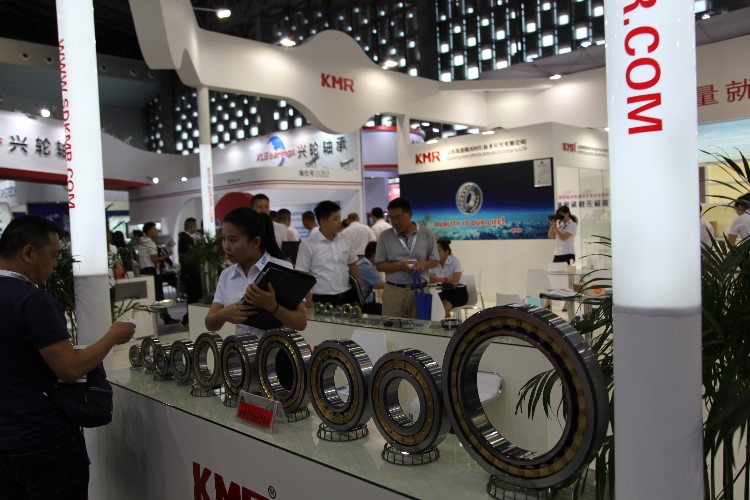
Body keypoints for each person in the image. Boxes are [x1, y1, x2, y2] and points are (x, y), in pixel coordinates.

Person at [0, 215, 136, 498]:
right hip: (43, 439)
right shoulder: (31, 301)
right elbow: (70, 369)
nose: (54, 265)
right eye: (52, 255)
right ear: (28, 253)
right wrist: (113, 336)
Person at [205, 208, 307, 335]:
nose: (226, 246)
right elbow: (210, 324)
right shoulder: (227, 275)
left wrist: (273, 306)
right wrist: (223, 315)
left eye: (232, 240)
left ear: (255, 242)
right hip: (241, 347)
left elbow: (301, 323)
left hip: (275, 346)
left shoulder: (282, 269)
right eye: (224, 239)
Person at [375, 197, 439, 318]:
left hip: (420, 290)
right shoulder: (385, 236)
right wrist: (400, 266)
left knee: (420, 327)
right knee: (391, 327)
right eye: (391, 218)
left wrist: (423, 265)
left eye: (399, 217)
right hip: (394, 291)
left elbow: (435, 260)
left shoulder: (426, 233)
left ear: (410, 214)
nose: (395, 222)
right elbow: (379, 265)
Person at [295, 200, 361, 307]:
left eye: (339, 218)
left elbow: (353, 266)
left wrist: (359, 288)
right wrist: (308, 301)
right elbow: (302, 275)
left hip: (347, 295)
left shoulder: (346, 239)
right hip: (321, 299)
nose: (339, 222)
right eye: (335, 219)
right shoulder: (307, 244)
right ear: (323, 222)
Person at [137, 222, 179, 325]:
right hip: (151, 271)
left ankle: (156, 319)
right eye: (154, 229)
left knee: (149, 297)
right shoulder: (151, 243)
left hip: (143, 271)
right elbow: (154, 259)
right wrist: (167, 255)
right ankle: (166, 318)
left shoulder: (141, 243)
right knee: (159, 296)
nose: (156, 231)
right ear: (149, 231)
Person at [429, 239, 468, 318]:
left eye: (438, 251)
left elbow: (456, 279)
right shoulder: (434, 263)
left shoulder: (455, 261)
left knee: (443, 308)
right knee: (430, 305)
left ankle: (447, 324)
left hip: (459, 293)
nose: (435, 254)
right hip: (445, 291)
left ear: (446, 252)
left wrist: (438, 279)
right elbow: (430, 278)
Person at [178, 217, 203, 325]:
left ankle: (189, 319)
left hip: (190, 272)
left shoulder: (184, 238)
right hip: (190, 273)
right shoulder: (185, 239)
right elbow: (189, 257)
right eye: (195, 226)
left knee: (193, 297)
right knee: (193, 296)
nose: (196, 228)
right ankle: (188, 319)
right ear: (191, 226)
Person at [358, 241, 385, 314]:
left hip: (361, 301)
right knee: (385, 310)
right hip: (363, 304)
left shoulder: (362, 263)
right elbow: (381, 285)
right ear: (374, 257)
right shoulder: (367, 267)